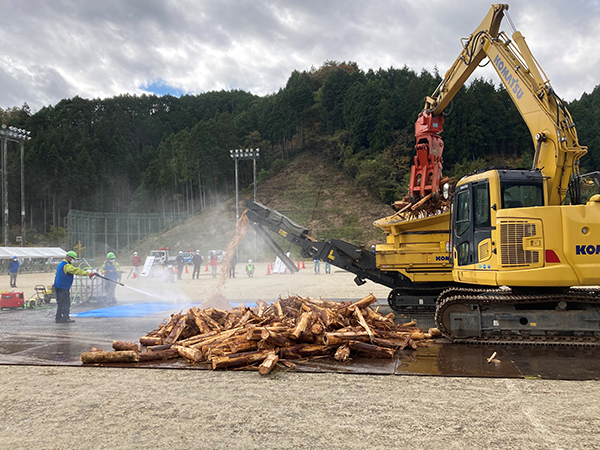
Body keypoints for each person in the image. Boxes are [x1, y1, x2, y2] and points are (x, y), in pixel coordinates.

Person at [53, 251, 95, 323]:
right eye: (73, 258)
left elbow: (56, 274)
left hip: (57, 287)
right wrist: (88, 273)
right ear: (69, 258)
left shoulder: (60, 265)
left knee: (60, 304)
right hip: (63, 288)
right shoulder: (67, 266)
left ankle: (59, 318)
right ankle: (65, 318)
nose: (73, 260)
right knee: (66, 303)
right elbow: (76, 271)